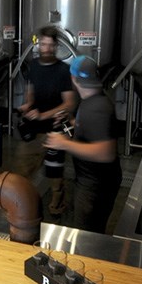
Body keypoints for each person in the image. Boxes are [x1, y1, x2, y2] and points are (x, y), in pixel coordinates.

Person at [44, 55, 122, 233]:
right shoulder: (92, 99)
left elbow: (106, 152)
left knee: (87, 234)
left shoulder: (98, 107)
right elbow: (89, 130)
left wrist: (65, 144)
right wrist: (69, 122)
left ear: (73, 79)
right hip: (89, 181)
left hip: (95, 187)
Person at [18, 26, 76, 214]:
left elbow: (68, 103)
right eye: (43, 44)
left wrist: (43, 115)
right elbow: (31, 93)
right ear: (38, 44)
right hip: (35, 127)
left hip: (55, 130)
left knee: (54, 172)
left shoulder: (63, 70)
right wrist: (28, 105)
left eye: (50, 45)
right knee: (25, 168)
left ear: (56, 46)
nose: (46, 49)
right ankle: (22, 204)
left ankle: (57, 203)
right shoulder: (34, 65)